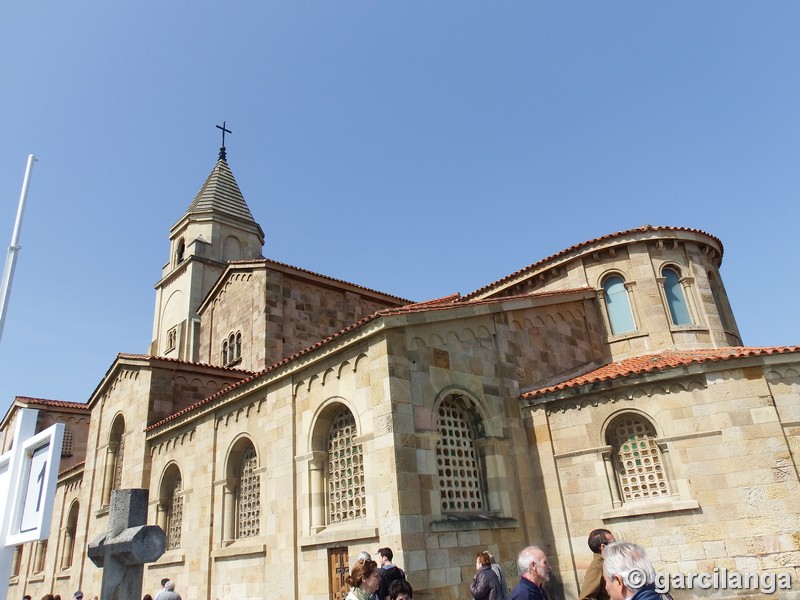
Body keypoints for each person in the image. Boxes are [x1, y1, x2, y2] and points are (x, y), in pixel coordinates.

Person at [579, 529, 615, 600]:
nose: (617, 546)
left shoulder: (608, 562)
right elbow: (586, 597)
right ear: (603, 547)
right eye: (613, 543)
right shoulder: (597, 567)